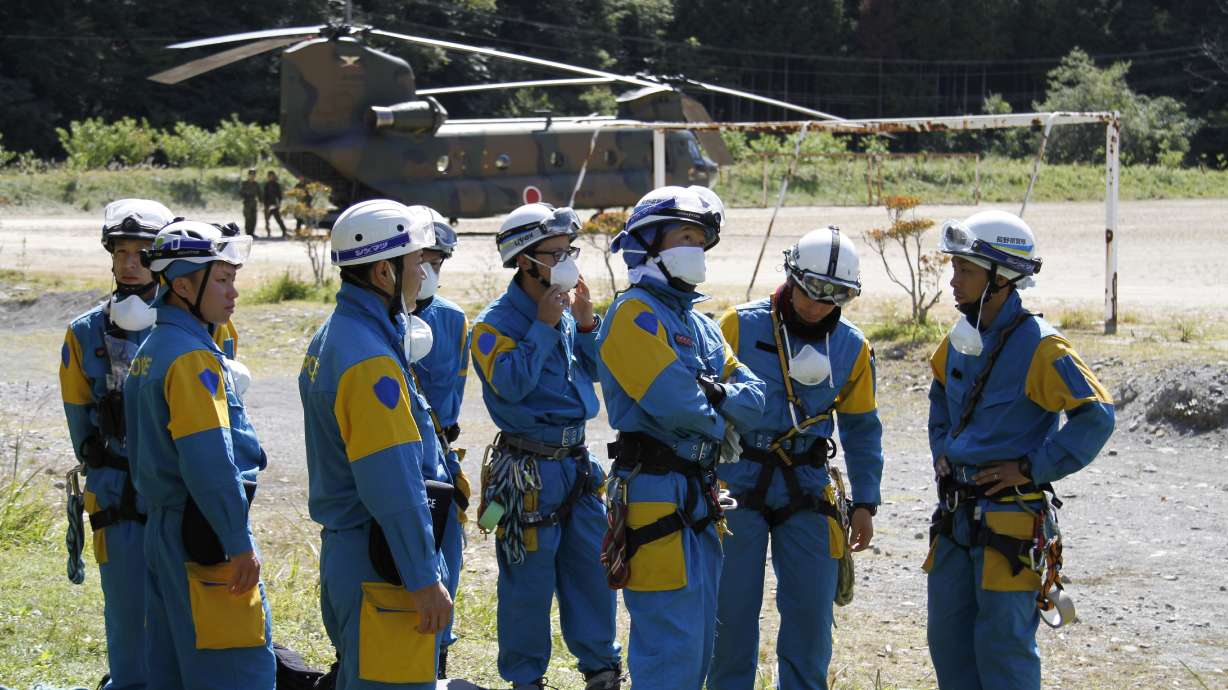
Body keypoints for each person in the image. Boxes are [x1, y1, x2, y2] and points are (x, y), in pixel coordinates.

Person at [924, 210, 1115, 690]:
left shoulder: (1043, 347)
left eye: (965, 270)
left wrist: (1031, 467)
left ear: (1001, 277)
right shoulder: (961, 339)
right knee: (947, 643)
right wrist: (942, 450)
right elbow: (939, 396)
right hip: (955, 520)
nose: (953, 281)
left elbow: (1096, 416)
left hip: (1009, 525)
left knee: (1003, 651)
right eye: (955, 268)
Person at [596, 186, 764, 690]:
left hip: (698, 491)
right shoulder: (633, 315)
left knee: (698, 648)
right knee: (670, 646)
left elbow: (758, 401)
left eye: (702, 239)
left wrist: (714, 398)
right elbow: (676, 404)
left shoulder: (701, 325)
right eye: (686, 236)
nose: (697, 248)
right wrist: (723, 410)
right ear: (649, 244)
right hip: (654, 493)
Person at [708, 227, 883, 690]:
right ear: (790, 275)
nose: (818, 304)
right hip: (735, 482)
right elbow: (702, 407)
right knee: (730, 614)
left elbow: (862, 428)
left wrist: (865, 501)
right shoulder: (739, 326)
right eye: (811, 289)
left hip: (808, 485)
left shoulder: (852, 347)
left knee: (811, 617)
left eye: (836, 295)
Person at [299, 199, 453, 690]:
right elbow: (393, 484)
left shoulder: (337, 335)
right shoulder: (368, 359)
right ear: (384, 272)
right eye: (417, 263)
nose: (424, 274)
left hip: (355, 555)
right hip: (381, 562)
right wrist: (423, 577)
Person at [470, 202, 622, 690]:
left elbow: (601, 371)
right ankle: (525, 678)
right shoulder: (492, 326)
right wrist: (540, 323)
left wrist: (585, 323)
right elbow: (510, 386)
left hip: (576, 463)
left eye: (569, 250)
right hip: (528, 471)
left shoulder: (567, 309)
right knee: (527, 585)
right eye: (555, 253)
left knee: (591, 574)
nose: (567, 261)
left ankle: (601, 668)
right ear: (523, 260)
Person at [123, 219, 274, 689]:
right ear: (184, 285)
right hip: (204, 536)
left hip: (167, 531)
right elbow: (208, 460)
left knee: (174, 671)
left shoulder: (153, 348)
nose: (233, 293)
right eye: (223, 279)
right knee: (235, 673)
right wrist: (238, 541)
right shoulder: (190, 358)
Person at [58, 199, 174, 690]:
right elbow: (80, 423)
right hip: (117, 495)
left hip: (176, 490)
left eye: (142, 253)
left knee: (182, 607)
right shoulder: (84, 334)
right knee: (127, 609)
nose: (130, 263)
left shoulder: (200, 324)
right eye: (121, 252)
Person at [407, 205, 472, 679]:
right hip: (395, 452)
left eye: (438, 261)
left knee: (448, 554)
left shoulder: (452, 319)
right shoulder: (375, 320)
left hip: (441, 458)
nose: (428, 270)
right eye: (420, 258)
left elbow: (456, 390)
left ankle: (439, 656)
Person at [262, 171, 288, 238]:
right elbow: (264, 196)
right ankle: (268, 233)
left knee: (278, 219)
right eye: (269, 176)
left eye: (272, 176)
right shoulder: (266, 185)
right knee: (267, 220)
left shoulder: (276, 185)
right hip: (268, 205)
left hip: (275, 205)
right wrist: (265, 205)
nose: (271, 177)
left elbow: (279, 196)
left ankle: (284, 231)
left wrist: (279, 204)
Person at [240, 169, 260, 237]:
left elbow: (260, 194)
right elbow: (241, 193)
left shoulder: (256, 184)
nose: (252, 176)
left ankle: (252, 233)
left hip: (254, 204)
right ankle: (248, 233)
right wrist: (246, 193)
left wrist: (262, 201)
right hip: (247, 203)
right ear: (248, 175)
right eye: (251, 175)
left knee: (254, 219)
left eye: (254, 175)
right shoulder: (244, 183)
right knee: (248, 219)